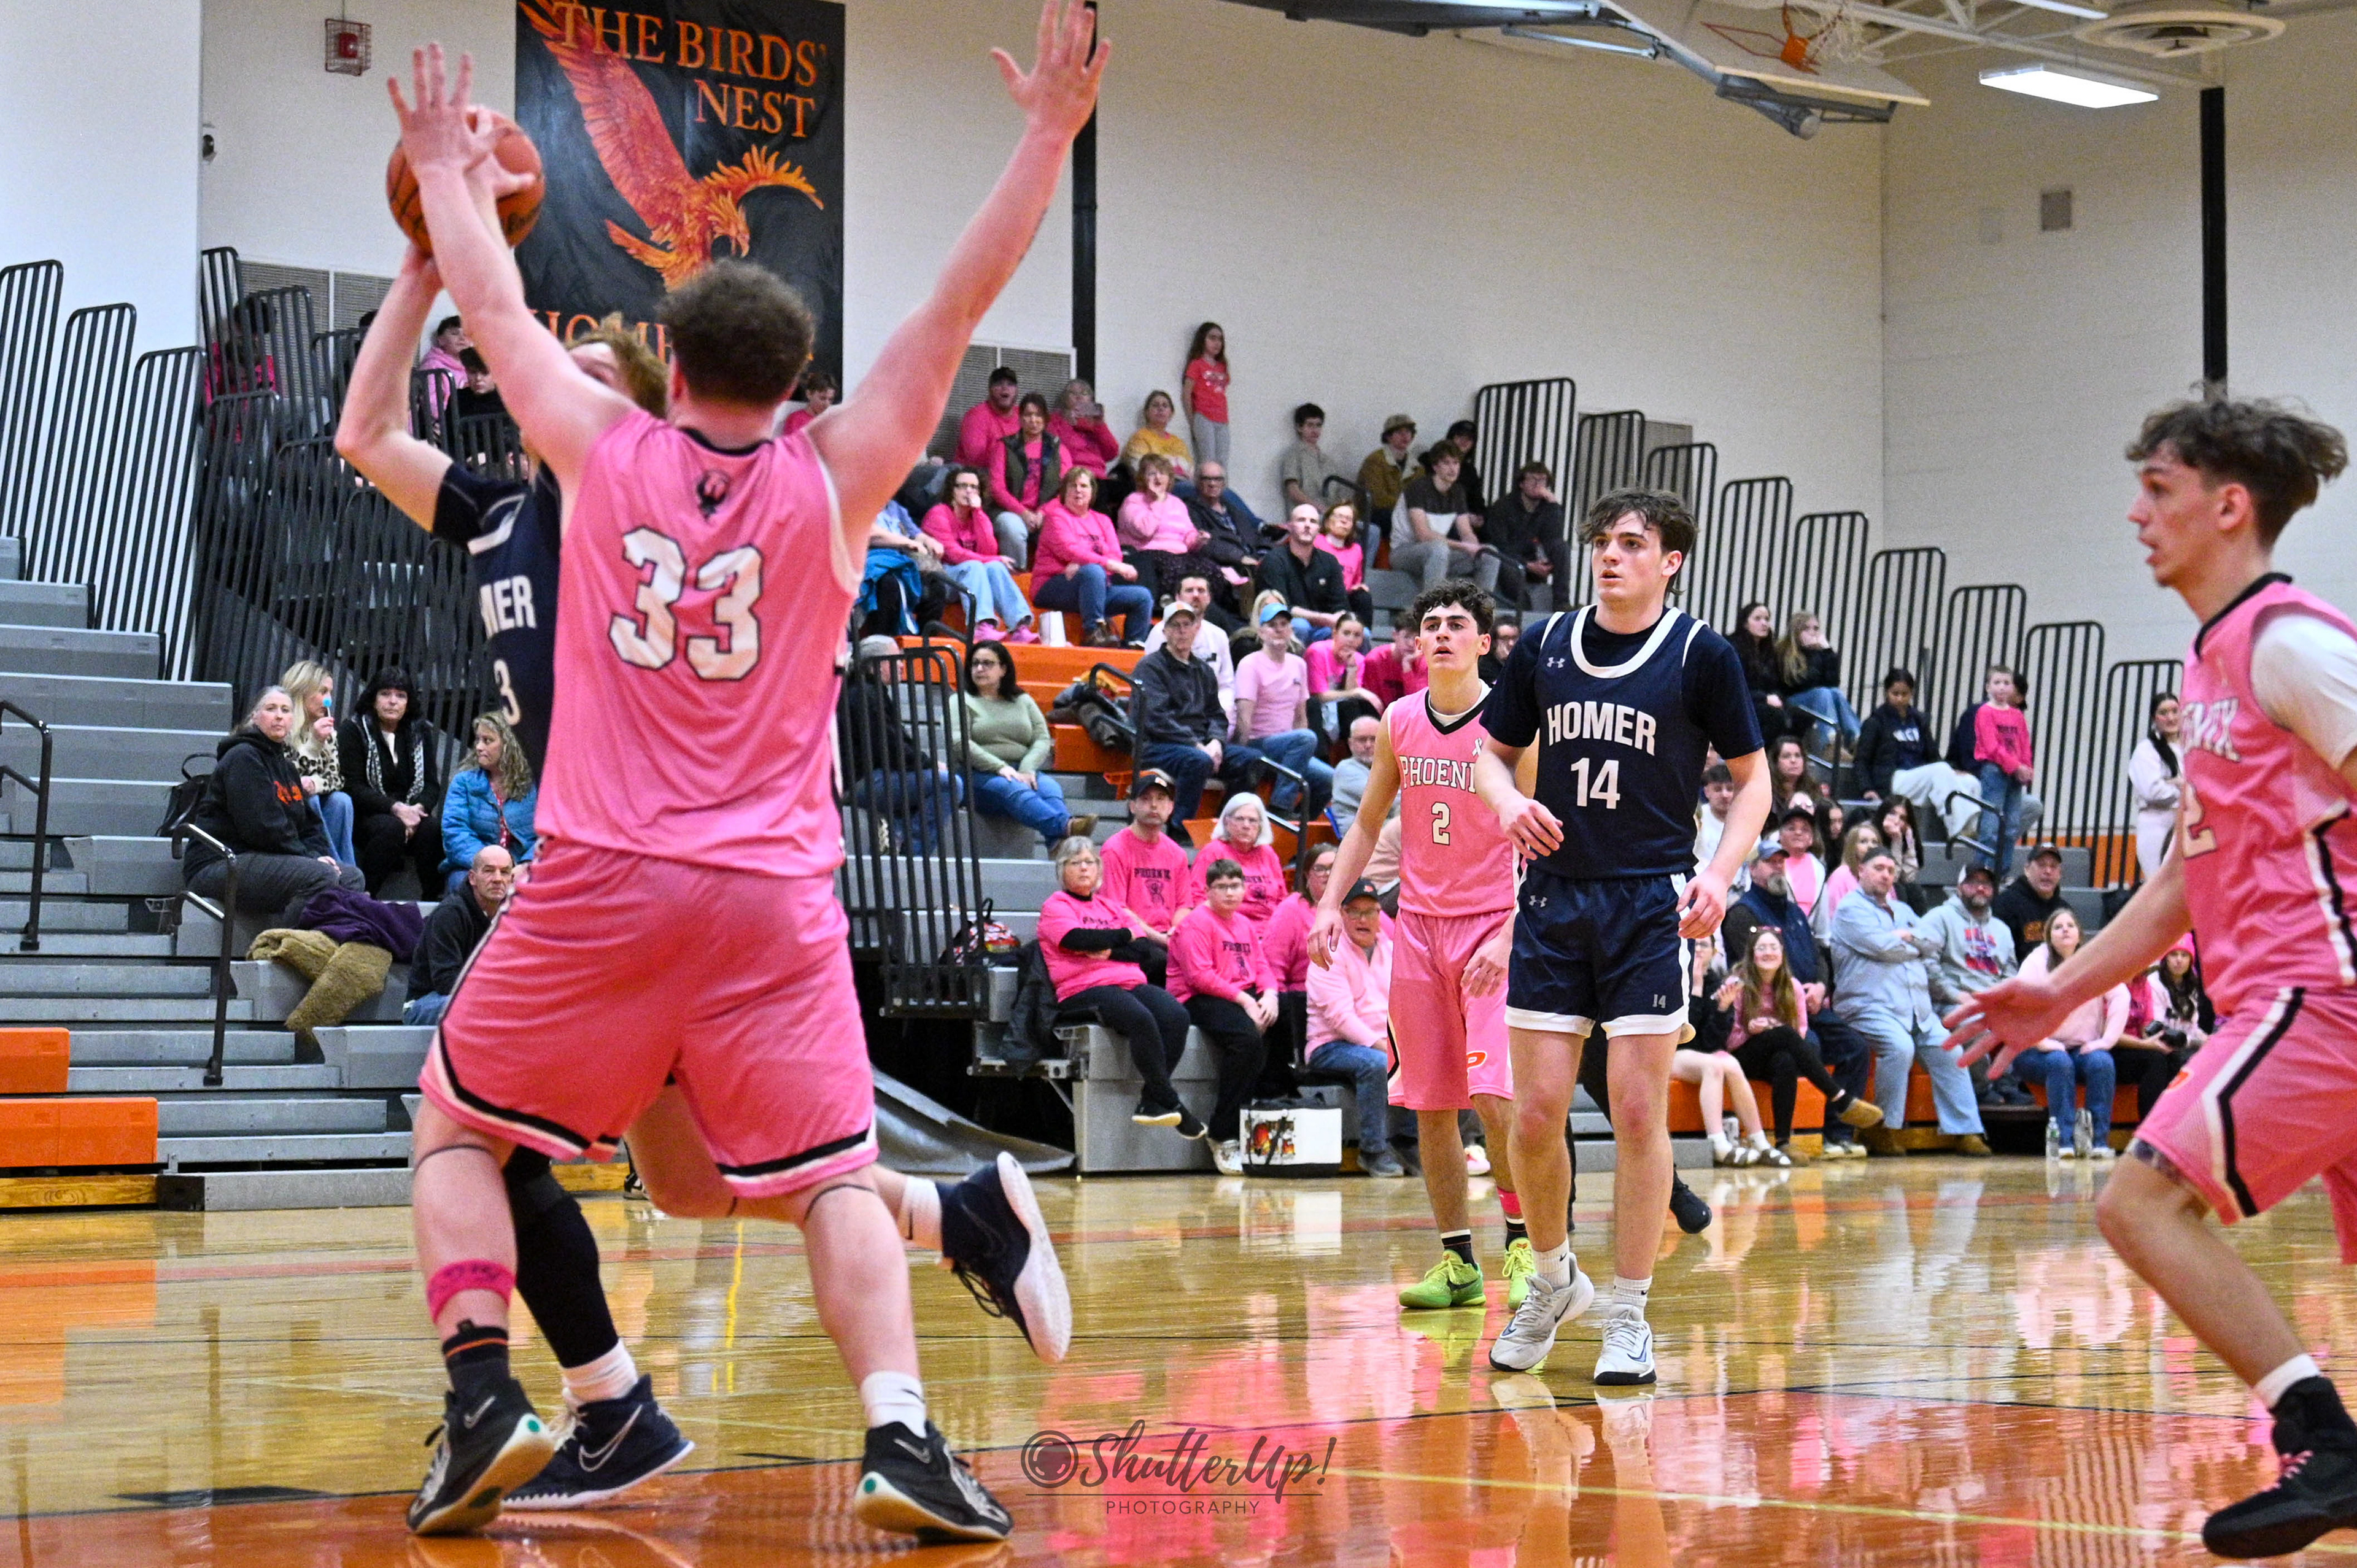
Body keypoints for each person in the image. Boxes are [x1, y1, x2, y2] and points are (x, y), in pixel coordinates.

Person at [387, 8, 1102, 1540]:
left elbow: (494, 299)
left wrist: (445, 171)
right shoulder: (837, 473)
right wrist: (1047, 131)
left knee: (456, 1128)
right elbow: (960, 296)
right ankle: (902, 1434)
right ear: (796, 385)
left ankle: (483, 1390)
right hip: (770, 899)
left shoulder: (599, 447)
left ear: (670, 366)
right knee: (820, 1178)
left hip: (601, 877)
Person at [1948, 392, 2357, 1561]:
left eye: (2158, 489)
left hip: (2321, 997)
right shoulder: (2214, 662)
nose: (2136, 513)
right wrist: (2062, 989)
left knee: (2138, 1203)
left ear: (2229, 506)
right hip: (2297, 1000)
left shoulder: (2292, 646)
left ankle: (2325, 1442)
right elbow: (2186, 875)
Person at [1472, 487, 1771, 1382]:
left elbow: (1753, 781)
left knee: (1638, 1111)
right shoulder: (1546, 643)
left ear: (1671, 560)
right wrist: (1509, 802)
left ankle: (1631, 1311)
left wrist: (1719, 873)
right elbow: (1489, 755)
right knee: (1535, 1114)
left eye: (1632, 543)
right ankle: (1554, 1280)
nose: (1610, 554)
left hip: (1647, 901)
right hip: (1553, 897)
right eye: (1602, 541)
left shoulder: (1701, 653)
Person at [1315, 581, 1538, 1313]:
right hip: (1417, 928)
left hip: (1492, 925)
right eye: (1431, 623)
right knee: (1431, 1105)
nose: (1441, 632)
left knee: (1494, 1096)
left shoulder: (1515, 722)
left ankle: (1525, 1241)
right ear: (1416, 643)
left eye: (1457, 623)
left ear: (1484, 642)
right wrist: (1328, 902)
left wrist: (1510, 933)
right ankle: (1458, 1261)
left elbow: (1545, 842)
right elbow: (1365, 823)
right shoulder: (1400, 719)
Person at [1829, 849, 1990, 1156]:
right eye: (1879, 868)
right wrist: (1912, 943)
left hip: (1918, 1008)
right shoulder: (1850, 909)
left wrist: (1908, 938)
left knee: (1951, 1050)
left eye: (1891, 870)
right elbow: (1883, 947)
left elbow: (1934, 942)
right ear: (1861, 870)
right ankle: (1883, 1129)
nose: (1886, 875)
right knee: (1900, 1048)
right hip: (1868, 1006)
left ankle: (1965, 1131)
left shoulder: (1903, 910)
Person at [1040, 835, 1202, 1139]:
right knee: (1139, 1017)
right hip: (1081, 988)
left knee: (1176, 1016)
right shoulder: (1056, 905)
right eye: (1075, 863)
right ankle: (1171, 1102)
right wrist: (1124, 935)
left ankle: (1152, 1100)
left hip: (1128, 981)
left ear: (1099, 870)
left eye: (1090, 862)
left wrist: (1109, 949)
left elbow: (1143, 952)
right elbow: (1077, 939)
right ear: (1062, 870)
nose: (1084, 868)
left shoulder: (1111, 906)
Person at [1728, 841, 1874, 1158]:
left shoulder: (1795, 912)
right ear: (1752, 869)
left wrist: (1820, 986)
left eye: (1782, 862)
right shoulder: (1741, 913)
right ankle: (1825, 1117)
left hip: (1808, 1002)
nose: (1778, 867)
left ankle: (1838, 1135)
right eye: (1770, 862)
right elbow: (1754, 966)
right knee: (1805, 1046)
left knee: (1856, 1048)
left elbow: (1819, 954)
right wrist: (1790, 991)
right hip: (1766, 1013)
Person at [182, 687, 369, 918]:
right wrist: (311, 859)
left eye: (286, 710)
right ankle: (282, 940)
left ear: (292, 720)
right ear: (255, 717)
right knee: (321, 876)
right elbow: (262, 828)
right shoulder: (243, 757)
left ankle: (326, 939)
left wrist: (319, 854)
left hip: (266, 859)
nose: (279, 716)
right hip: (221, 861)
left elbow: (311, 827)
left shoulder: (287, 768)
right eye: (271, 709)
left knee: (351, 877)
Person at [1711, 926, 1884, 1159]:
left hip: (1775, 1055)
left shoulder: (1793, 987)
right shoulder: (1738, 984)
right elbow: (1729, 1040)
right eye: (1761, 948)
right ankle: (1839, 1098)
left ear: (1782, 953)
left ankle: (1784, 1142)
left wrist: (1772, 1029)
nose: (1768, 953)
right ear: (1752, 955)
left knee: (1786, 1060)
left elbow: (1799, 1034)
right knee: (1783, 1034)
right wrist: (1751, 1030)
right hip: (1741, 1055)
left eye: (1773, 947)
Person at [1168, 858, 1274, 1175]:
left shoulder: (1244, 924)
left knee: (1285, 1020)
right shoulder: (1196, 924)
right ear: (1208, 891)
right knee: (1246, 1039)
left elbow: (1262, 966)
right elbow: (1200, 977)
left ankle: (1271, 1113)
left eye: (1236, 886)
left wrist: (1270, 995)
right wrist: (1247, 1001)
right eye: (1222, 887)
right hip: (1196, 998)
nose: (1230, 893)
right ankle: (1223, 1134)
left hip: (1237, 994)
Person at [1306, 878, 1404, 1176]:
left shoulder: (1393, 950)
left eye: (1371, 911)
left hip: (1382, 1042)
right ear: (1342, 915)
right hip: (1330, 1045)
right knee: (1377, 1064)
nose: (1364, 919)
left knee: (1432, 1057)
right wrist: (1385, 1047)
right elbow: (1341, 1019)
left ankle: (1410, 1142)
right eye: (1355, 912)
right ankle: (1373, 1151)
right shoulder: (1328, 954)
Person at [2011, 907, 2126, 1159]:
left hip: (2079, 1048)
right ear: (2048, 936)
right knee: (2058, 1062)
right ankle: (2064, 1142)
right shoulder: (2037, 961)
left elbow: (2121, 997)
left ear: (2080, 935)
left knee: (2102, 1062)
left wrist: (2107, 1040)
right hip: (2035, 1052)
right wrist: (2042, 1042)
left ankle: (2099, 1142)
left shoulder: (2092, 962)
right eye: (2058, 927)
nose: (2065, 930)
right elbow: (2019, 1003)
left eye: (2070, 926)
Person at [1916, 862, 2032, 1107]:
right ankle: (1981, 1088)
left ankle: (2007, 1083)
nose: (1980, 888)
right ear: (1959, 887)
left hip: (1992, 1000)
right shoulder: (1939, 917)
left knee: (2025, 1017)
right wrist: (1955, 995)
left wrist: (1999, 998)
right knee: (1975, 1023)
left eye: (1986, 884)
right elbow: (1926, 964)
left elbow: (2010, 972)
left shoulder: (2001, 929)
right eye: (1973, 882)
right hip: (1951, 1002)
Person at [964, 642, 1085, 850]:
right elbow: (959, 743)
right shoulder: (961, 700)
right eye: (975, 664)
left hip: (1021, 769)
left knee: (1051, 789)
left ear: (1003, 669)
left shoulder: (1022, 700)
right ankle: (1066, 827)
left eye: (987, 663)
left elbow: (1042, 737)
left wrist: (1027, 768)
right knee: (1013, 788)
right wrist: (999, 767)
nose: (980, 669)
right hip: (978, 774)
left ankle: (1059, 845)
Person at [845, 637, 961, 855]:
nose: (901, 665)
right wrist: (928, 764)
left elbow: (896, 746)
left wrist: (924, 764)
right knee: (949, 784)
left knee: (924, 781)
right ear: (877, 664)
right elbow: (890, 748)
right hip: (862, 781)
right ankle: (912, 852)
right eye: (896, 659)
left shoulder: (868, 691)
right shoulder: (865, 695)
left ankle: (896, 834)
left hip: (870, 777)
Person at [336, 667, 446, 896]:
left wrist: (416, 810)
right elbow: (353, 786)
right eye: (385, 694)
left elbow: (431, 785)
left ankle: (432, 900)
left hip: (411, 812)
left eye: (401, 696)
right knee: (391, 828)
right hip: (366, 814)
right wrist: (396, 809)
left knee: (432, 828)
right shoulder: (353, 730)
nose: (393, 701)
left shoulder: (420, 732)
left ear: (408, 702)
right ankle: (364, 896)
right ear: (373, 699)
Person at [1674, 941, 1781, 1167]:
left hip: (1700, 1055)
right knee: (1713, 1065)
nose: (1699, 949)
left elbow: (1713, 1043)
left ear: (1714, 952)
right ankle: (1718, 1142)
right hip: (1671, 1053)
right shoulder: (1675, 979)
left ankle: (1760, 1142)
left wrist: (1723, 1009)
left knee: (1731, 1063)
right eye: (1695, 944)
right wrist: (1695, 990)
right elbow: (1684, 1037)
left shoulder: (1718, 984)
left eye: (1704, 945)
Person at [1128, 601, 1228, 827]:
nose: (1182, 631)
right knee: (1198, 760)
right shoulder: (1150, 667)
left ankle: (1226, 825)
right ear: (1164, 632)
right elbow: (1156, 718)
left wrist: (1216, 741)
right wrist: (1196, 744)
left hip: (1199, 745)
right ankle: (1180, 828)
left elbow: (1217, 714)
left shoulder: (1204, 671)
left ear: (1196, 630)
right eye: (1175, 626)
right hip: (1157, 745)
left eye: (1187, 625)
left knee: (1249, 761)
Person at [1856, 668, 1983, 841]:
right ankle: (1957, 830)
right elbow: (1861, 760)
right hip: (1894, 778)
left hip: (1920, 776)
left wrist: (1953, 771)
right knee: (1940, 770)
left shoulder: (1918, 720)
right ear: (1886, 693)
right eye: (1895, 694)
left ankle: (1971, 832)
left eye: (1905, 694)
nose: (1900, 699)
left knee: (1971, 782)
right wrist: (1867, 789)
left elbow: (1933, 756)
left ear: (1912, 694)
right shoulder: (1876, 722)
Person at [1031, 466, 1151, 646]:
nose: (1078, 490)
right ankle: (1094, 632)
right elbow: (1070, 550)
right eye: (1073, 486)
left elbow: (1115, 555)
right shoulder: (1056, 517)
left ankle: (1133, 646)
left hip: (1095, 587)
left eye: (1084, 486)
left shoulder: (1103, 520)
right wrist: (1100, 566)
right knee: (1093, 572)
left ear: (1092, 492)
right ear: (1064, 492)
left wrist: (1084, 566)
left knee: (1142, 596)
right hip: (1052, 585)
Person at [1232, 603, 1333, 817]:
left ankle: (1300, 821)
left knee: (1331, 779)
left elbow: (1301, 716)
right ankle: (1281, 807)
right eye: (1272, 625)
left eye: (1284, 624)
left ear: (1291, 630)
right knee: (1306, 738)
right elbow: (1244, 716)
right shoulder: (1250, 664)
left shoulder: (1298, 664)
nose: (1278, 629)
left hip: (1291, 745)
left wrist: (1302, 754)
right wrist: (1241, 754)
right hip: (1260, 743)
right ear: (1261, 632)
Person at [922, 465, 1039, 641]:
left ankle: (1019, 628)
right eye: (963, 486)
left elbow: (989, 550)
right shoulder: (939, 514)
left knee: (995, 567)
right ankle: (981, 626)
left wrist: (978, 512)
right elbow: (954, 555)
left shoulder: (977, 516)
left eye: (974, 487)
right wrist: (993, 558)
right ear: (952, 490)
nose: (969, 491)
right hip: (941, 579)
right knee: (975, 566)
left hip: (970, 580)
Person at [1096, 769, 1191, 986]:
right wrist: (1162, 939)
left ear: (1171, 807)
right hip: (1131, 937)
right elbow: (1116, 910)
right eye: (1146, 799)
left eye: (1161, 799)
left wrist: (1174, 934)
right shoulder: (1115, 849)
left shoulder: (1177, 853)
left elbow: (1184, 905)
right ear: (1132, 806)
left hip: (1168, 936)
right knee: (1162, 962)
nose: (1154, 805)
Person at [406, 844, 516, 1026]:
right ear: (472, 878)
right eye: (489, 871)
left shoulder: (514, 916)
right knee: (482, 1006)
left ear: (512, 879)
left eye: (504, 872)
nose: (498, 879)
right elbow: (446, 982)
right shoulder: (450, 914)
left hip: (485, 997)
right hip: (426, 1002)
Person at [439, 712, 538, 893]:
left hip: (523, 866)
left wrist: (526, 864)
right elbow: (455, 832)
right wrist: (494, 866)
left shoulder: (536, 785)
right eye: (478, 740)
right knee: (464, 884)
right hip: (475, 866)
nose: (478, 747)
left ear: (509, 745)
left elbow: (547, 834)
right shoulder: (463, 782)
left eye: (487, 741)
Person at [2114, 936, 2210, 1121]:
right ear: (2164, 959)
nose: (2179, 960)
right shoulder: (2152, 982)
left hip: (2170, 1043)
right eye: (2174, 955)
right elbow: (2155, 1028)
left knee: (2209, 1057)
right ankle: (2157, 1123)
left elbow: (2192, 1026)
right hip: (2147, 1043)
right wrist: (2195, 1042)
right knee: (2167, 1059)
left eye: (2184, 955)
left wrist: (2207, 1039)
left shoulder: (2191, 985)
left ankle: (2194, 1122)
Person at [279, 660, 357, 868]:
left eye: (330, 693)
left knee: (342, 801)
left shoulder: (328, 732)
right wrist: (313, 744)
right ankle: (333, 868)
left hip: (318, 799)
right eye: (323, 692)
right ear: (303, 690)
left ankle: (345, 866)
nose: (328, 700)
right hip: (284, 804)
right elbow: (285, 775)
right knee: (310, 801)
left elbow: (336, 778)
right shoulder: (281, 727)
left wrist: (316, 783)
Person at [1393, 446, 1498, 595]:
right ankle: (1433, 605)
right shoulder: (1418, 488)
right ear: (1435, 467)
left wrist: (1475, 548)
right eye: (1446, 463)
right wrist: (1464, 546)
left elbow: (1466, 532)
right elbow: (1423, 535)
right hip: (1405, 551)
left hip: (1440, 553)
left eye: (1456, 463)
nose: (1452, 469)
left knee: (1490, 553)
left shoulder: (1458, 492)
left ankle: (1480, 606)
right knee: (1438, 549)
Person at [1261, 845, 1334, 1059]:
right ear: (1307, 875)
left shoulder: (1354, 906)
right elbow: (1273, 965)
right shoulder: (1291, 909)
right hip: (1305, 998)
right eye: (1320, 869)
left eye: (1334, 868)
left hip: (1350, 994)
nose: (1328, 874)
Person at [1186, 791, 1288, 930]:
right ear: (1227, 822)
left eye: (1252, 820)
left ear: (1261, 826)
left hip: (1268, 930)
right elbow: (1197, 896)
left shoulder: (1268, 853)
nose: (1246, 825)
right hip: (1226, 929)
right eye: (1240, 819)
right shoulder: (1213, 851)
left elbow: (1282, 899)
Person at [1118, 454, 1211, 603]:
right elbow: (1145, 530)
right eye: (1152, 473)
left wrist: (1198, 539)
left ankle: (1206, 607)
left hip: (1180, 554)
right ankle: (1169, 603)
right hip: (1147, 554)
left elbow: (1188, 533)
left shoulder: (1177, 503)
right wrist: (1158, 502)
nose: (1158, 477)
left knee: (1210, 569)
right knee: (1175, 568)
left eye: (1162, 473)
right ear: (1143, 478)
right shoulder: (1133, 501)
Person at [985, 392, 1062, 567]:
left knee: (1061, 525)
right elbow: (997, 488)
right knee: (1012, 528)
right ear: (1020, 418)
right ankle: (1018, 577)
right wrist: (1024, 513)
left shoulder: (1057, 447)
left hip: (1045, 512)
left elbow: (1065, 490)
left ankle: (1049, 577)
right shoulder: (1004, 446)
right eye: (1028, 415)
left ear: (1046, 419)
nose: (1033, 420)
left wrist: (1042, 513)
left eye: (1038, 415)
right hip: (1010, 511)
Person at [1971, 665, 2035, 874]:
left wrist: (2027, 768)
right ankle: (1982, 869)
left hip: (2015, 774)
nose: (2002, 687)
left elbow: (2024, 744)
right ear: (1988, 687)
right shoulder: (1985, 712)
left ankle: (2001, 871)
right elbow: (1991, 746)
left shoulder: (2017, 715)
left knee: (2012, 826)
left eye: (2007, 683)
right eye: (1997, 683)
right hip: (1995, 771)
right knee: (1991, 826)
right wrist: (2016, 767)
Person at [1253, 503, 1349, 638]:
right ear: (1290, 526)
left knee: (1362, 633)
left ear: (1319, 529)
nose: (1307, 525)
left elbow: (1340, 604)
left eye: (1313, 521)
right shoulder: (1274, 560)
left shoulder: (1330, 561)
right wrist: (1323, 618)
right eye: (1301, 520)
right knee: (1301, 626)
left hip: (1324, 628)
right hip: (1285, 625)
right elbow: (1282, 607)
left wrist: (1340, 617)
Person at [1140, 574, 1236, 711]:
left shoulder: (1219, 635)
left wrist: (1220, 712)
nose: (1196, 595)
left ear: (1209, 598)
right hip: (1170, 712)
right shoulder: (1159, 632)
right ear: (1178, 597)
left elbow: (1227, 685)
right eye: (1189, 590)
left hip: (1209, 712)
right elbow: (1151, 684)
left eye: (1201, 591)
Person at [1479, 463, 1560, 610]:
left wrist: (1554, 504)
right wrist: (1528, 565)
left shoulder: (1547, 507)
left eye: (1542, 480)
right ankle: (1525, 609)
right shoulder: (1504, 506)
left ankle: (1562, 603)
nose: (1538, 484)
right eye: (1532, 479)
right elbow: (1499, 545)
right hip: (1511, 560)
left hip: (1534, 557)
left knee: (1562, 548)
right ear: (1521, 484)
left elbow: (1555, 536)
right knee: (1510, 566)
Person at [1776, 611, 1862, 749]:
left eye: (1816, 628)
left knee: (1835, 693)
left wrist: (1828, 652)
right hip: (1792, 702)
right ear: (1796, 632)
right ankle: (1830, 742)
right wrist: (1813, 654)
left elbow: (1833, 683)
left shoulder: (1820, 653)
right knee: (1823, 693)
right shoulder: (1785, 652)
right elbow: (1801, 683)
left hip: (1818, 700)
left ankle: (1857, 739)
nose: (1813, 633)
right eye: (1806, 629)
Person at [2127, 691, 2184, 881]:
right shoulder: (2146, 750)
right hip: (2156, 823)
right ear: (2154, 718)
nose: (2171, 718)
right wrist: (2183, 788)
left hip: (2186, 822)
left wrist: (2174, 783)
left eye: (2175, 711)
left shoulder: (2189, 747)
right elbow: (2153, 791)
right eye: (2163, 713)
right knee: (2159, 880)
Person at [1184, 462, 1264, 584]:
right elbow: (1204, 544)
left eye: (1218, 479)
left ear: (1224, 483)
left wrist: (1265, 554)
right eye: (1206, 479)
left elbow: (1256, 536)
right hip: (1228, 567)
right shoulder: (1190, 510)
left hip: (1254, 562)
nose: (1212, 484)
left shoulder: (1234, 510)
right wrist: (1240, 557)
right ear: (1197, 482)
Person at [1307, 614, 1380, 743]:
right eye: (1346, 633)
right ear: (1335, 634)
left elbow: (1351, 698)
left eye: (1357, 635)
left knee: (1358, 706)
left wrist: (1351, 668)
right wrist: (1356, 692)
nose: (1351, 640)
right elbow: (1319, 696)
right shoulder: (1317, 652)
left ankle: (1364, 747)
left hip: (1337, 707)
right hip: (1315, 707)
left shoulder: (1359, 659)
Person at [1992, 842, 2072, 959]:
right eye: (2041, 865)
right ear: (2027, 870)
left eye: (2053, 866)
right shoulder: (2005, 904)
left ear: (2060, 874)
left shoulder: (2065, 910)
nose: (2048, 871)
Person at [1811, 822, 1886, 941]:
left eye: (1875, 842)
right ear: (1852, 847)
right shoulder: (1841, 876)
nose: (1870, 846)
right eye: (1863, 842)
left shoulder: (1883, 876)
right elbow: (1833, 920)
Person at [1732, 602, 1790, 743]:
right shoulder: (1733, 648)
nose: (1764, 623)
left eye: (1767, 619)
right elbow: (1735, 687)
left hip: (1763, 702)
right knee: (1775, 717)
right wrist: (1764, 698)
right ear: (1745, 624)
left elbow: (1777, 684)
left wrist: (1777, 697)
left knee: (1798, 716)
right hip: (1740, 702)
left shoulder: (1769, 652)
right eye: (1758, 619)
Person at [1279, 403, 1353, 514]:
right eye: (1310, 425)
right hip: (1306, 516)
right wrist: (1319, 508)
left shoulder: (1328, 461)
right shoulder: (1293, 455)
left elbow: (1337, 493)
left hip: (1330, 516)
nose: (1315, 430)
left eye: (1318, 425)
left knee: (1369, 525)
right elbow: (1293, 491)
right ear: (1299, 428)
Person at [1316, 501, 1375, 626]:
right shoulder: (1317, 541)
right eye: (1339, 517)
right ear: (1327, 522)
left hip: (1344, 599)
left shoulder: (1356, 550)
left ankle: (1364, 634)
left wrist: (1358, 587)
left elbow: (1356, 581)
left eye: (1349, 519)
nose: (1344, 521)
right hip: (1320, 596)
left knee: (1363, 597)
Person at [1180, 322, 1229, 469]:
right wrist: (1193, 421)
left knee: (1222, 462)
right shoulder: (1196, 364)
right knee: (1207, 460)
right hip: (1204, 417)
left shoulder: (1222, 367)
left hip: (1222, 419)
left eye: (1220, 339)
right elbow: (1186, 394)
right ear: (1203, 340)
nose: (1217, 343)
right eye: (1212, 338)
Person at [1048, 377, 1120, 477]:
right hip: (1070, 474)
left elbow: (1111, 453)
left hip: (1096, 476)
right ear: (1065, 399)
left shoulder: (1095, 421)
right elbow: (1052, 448)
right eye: (1073, 393)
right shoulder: (1056, 419)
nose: (1079, 397)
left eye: (1084, 393)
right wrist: (1067, 422)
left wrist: (1100, 425)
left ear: (1091, 399)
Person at [954, 365, 1021, 469]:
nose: (1005, 388)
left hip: (1013, 473)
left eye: (1010, 384)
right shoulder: (977, 416)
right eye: (999, 384)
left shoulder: (1023, 414)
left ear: (1017, 391)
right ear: (990, 390)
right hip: (975, 474)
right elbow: (976, 459)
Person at [1358, 413, 1418, 528]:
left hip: (1404, 514)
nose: (1405, 436)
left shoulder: (1417, 467)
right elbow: (1377, 499)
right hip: (1375, 514)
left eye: (1408, 432)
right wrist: (1408, 508)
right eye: (1399, 432)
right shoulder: (1375, 461)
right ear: (1388, 437)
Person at [1329, 714, 1387, 825]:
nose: (1368, 745)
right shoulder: (1345, 770)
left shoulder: (1385, 767)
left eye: (1374, 739)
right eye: (1362, 740)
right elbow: (1384, 800)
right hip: (1361, 832)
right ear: (1350, 744)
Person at [1121, 388, 1191, 480]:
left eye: (1165, 406)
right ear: (1147, 412)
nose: (1161, 409)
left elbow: (1190, 470)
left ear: (1171, 413)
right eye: (1155, 405)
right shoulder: (1140, 438)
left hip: (1182, 482)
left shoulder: (1178, 442)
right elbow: (1141, 469)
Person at [1362, 617, 1429, 709]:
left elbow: (1418, 703)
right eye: (1407, 637)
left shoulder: (1424, 662)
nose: (1411, 644)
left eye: (1416, 639)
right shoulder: (1375, 660)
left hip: (1409, 714)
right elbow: (1371, 702)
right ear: (1395, 635)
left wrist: (1407, 668)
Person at [1773, 804, 1826, 917]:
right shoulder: (1771, 864)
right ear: (1780, 836)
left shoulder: (1819, 868)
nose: (1798, 833)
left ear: (1811, 839)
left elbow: (1822, 913)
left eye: (1805, 830)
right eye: (1791, 828)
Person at [1693, 762, 1738, 883]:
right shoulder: (1698, 818)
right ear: (1707, 792)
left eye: (1730, 789)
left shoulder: (1746, 821)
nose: (1725, 795)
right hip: (1701, 882)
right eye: (1718, 789)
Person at [1767, 735, 1820, 823]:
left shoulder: (1814, 790)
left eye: (1798, 756)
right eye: (1786, 756)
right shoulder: (1767, 793)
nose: (1793, 760)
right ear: (1775, 762)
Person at [781, 368, 835, 436]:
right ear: (809, 394)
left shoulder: (830, 421)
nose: (827, 404)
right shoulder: (796, 419)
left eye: (830, 400)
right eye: (822, 398)